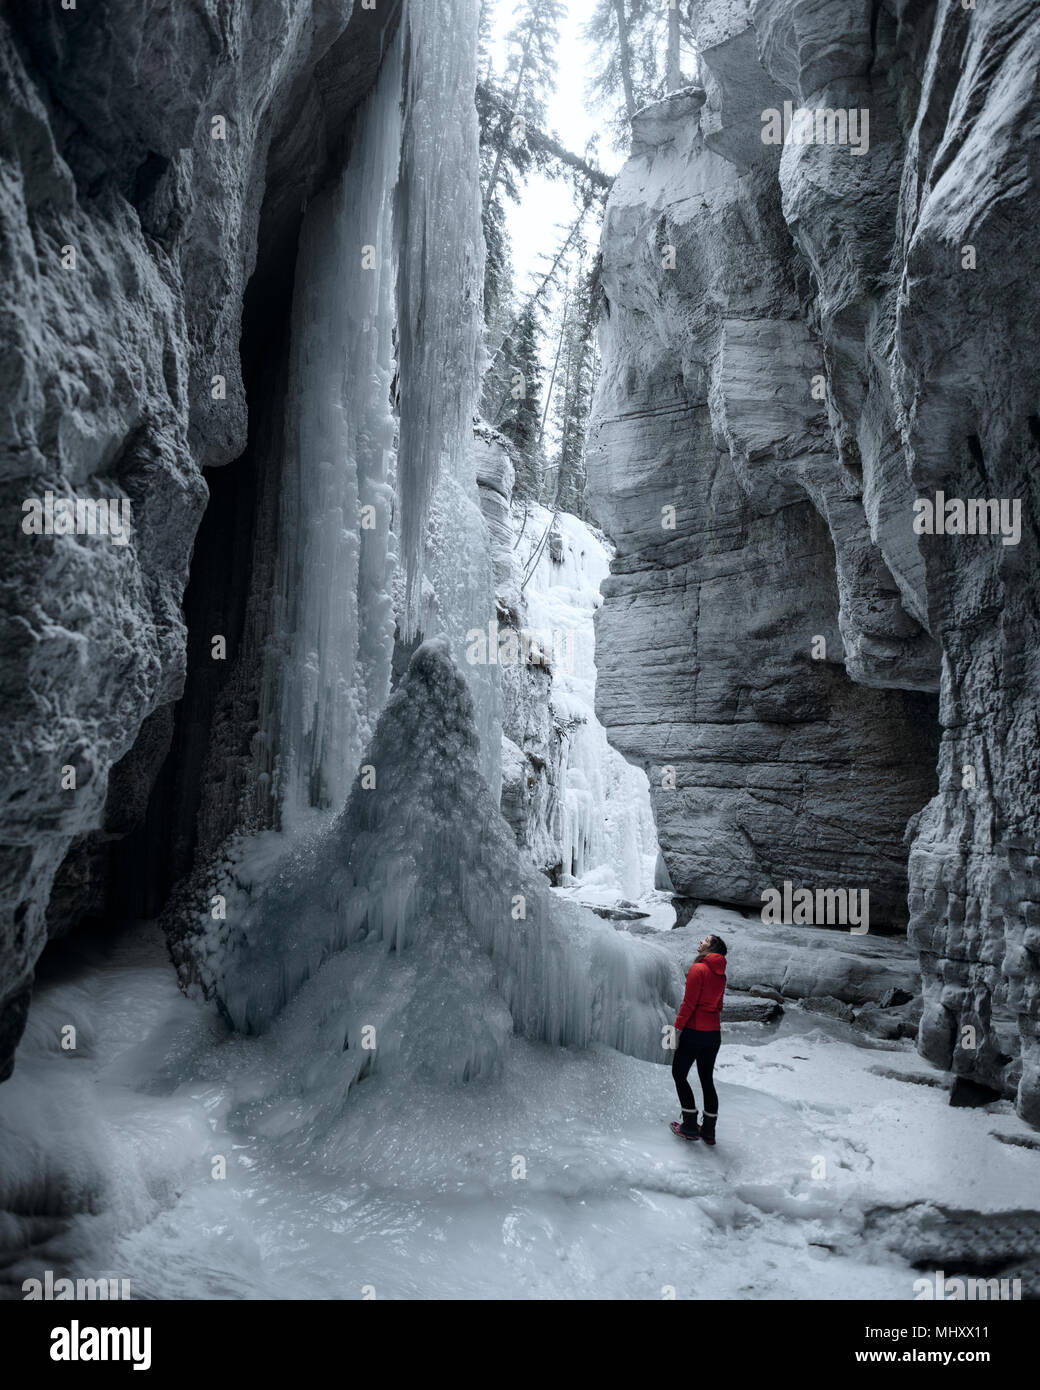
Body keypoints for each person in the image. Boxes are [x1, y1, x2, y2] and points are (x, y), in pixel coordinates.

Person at [669, 933, 727, 1145]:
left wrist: (677, 1029)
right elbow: (718, 1005)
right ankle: (709, 1131)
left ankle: (690, 1126)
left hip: (694, 1031)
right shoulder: (722, 974)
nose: (700, 941)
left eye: (705, 940)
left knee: (679, 1073)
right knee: (706, 1079)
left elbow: (688, 1003)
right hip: (713, 1034)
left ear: (712, 947)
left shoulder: (698, 969)